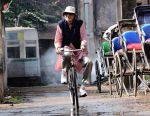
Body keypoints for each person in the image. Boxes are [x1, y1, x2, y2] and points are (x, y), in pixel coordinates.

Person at [54, 6, 93, 97]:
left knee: (89, 62)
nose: (68, 16)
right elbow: (58, 39)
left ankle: (83, 87)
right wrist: (58, 47)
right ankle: (64, 73)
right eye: (66, 14)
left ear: (74, 16)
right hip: (66, 48)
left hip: (79, 50)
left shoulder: (80, 23)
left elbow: (83, 37)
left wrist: (83, 44)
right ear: (64, 15)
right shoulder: (60, 25)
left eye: (71, 14)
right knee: (66, 54)